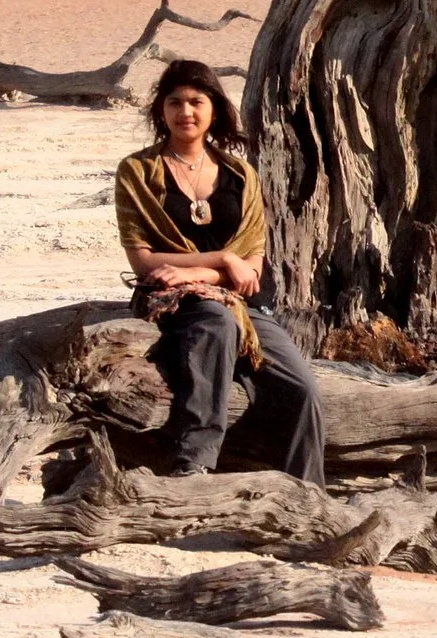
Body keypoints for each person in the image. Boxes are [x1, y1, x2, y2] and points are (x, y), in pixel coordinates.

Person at [114, 60, 326, 483]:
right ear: (160, 110)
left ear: (214, 110)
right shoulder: (138, 172)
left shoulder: (239, 174)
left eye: (196, 101)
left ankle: (306, 495)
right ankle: (193, 465)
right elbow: (143, 261)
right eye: (174, 102)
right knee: (215, 323)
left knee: (301, 389)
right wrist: (221, 263)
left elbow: (252, 268)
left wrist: (215, 271)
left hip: (242, 303)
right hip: (171, 301)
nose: (185, 112)